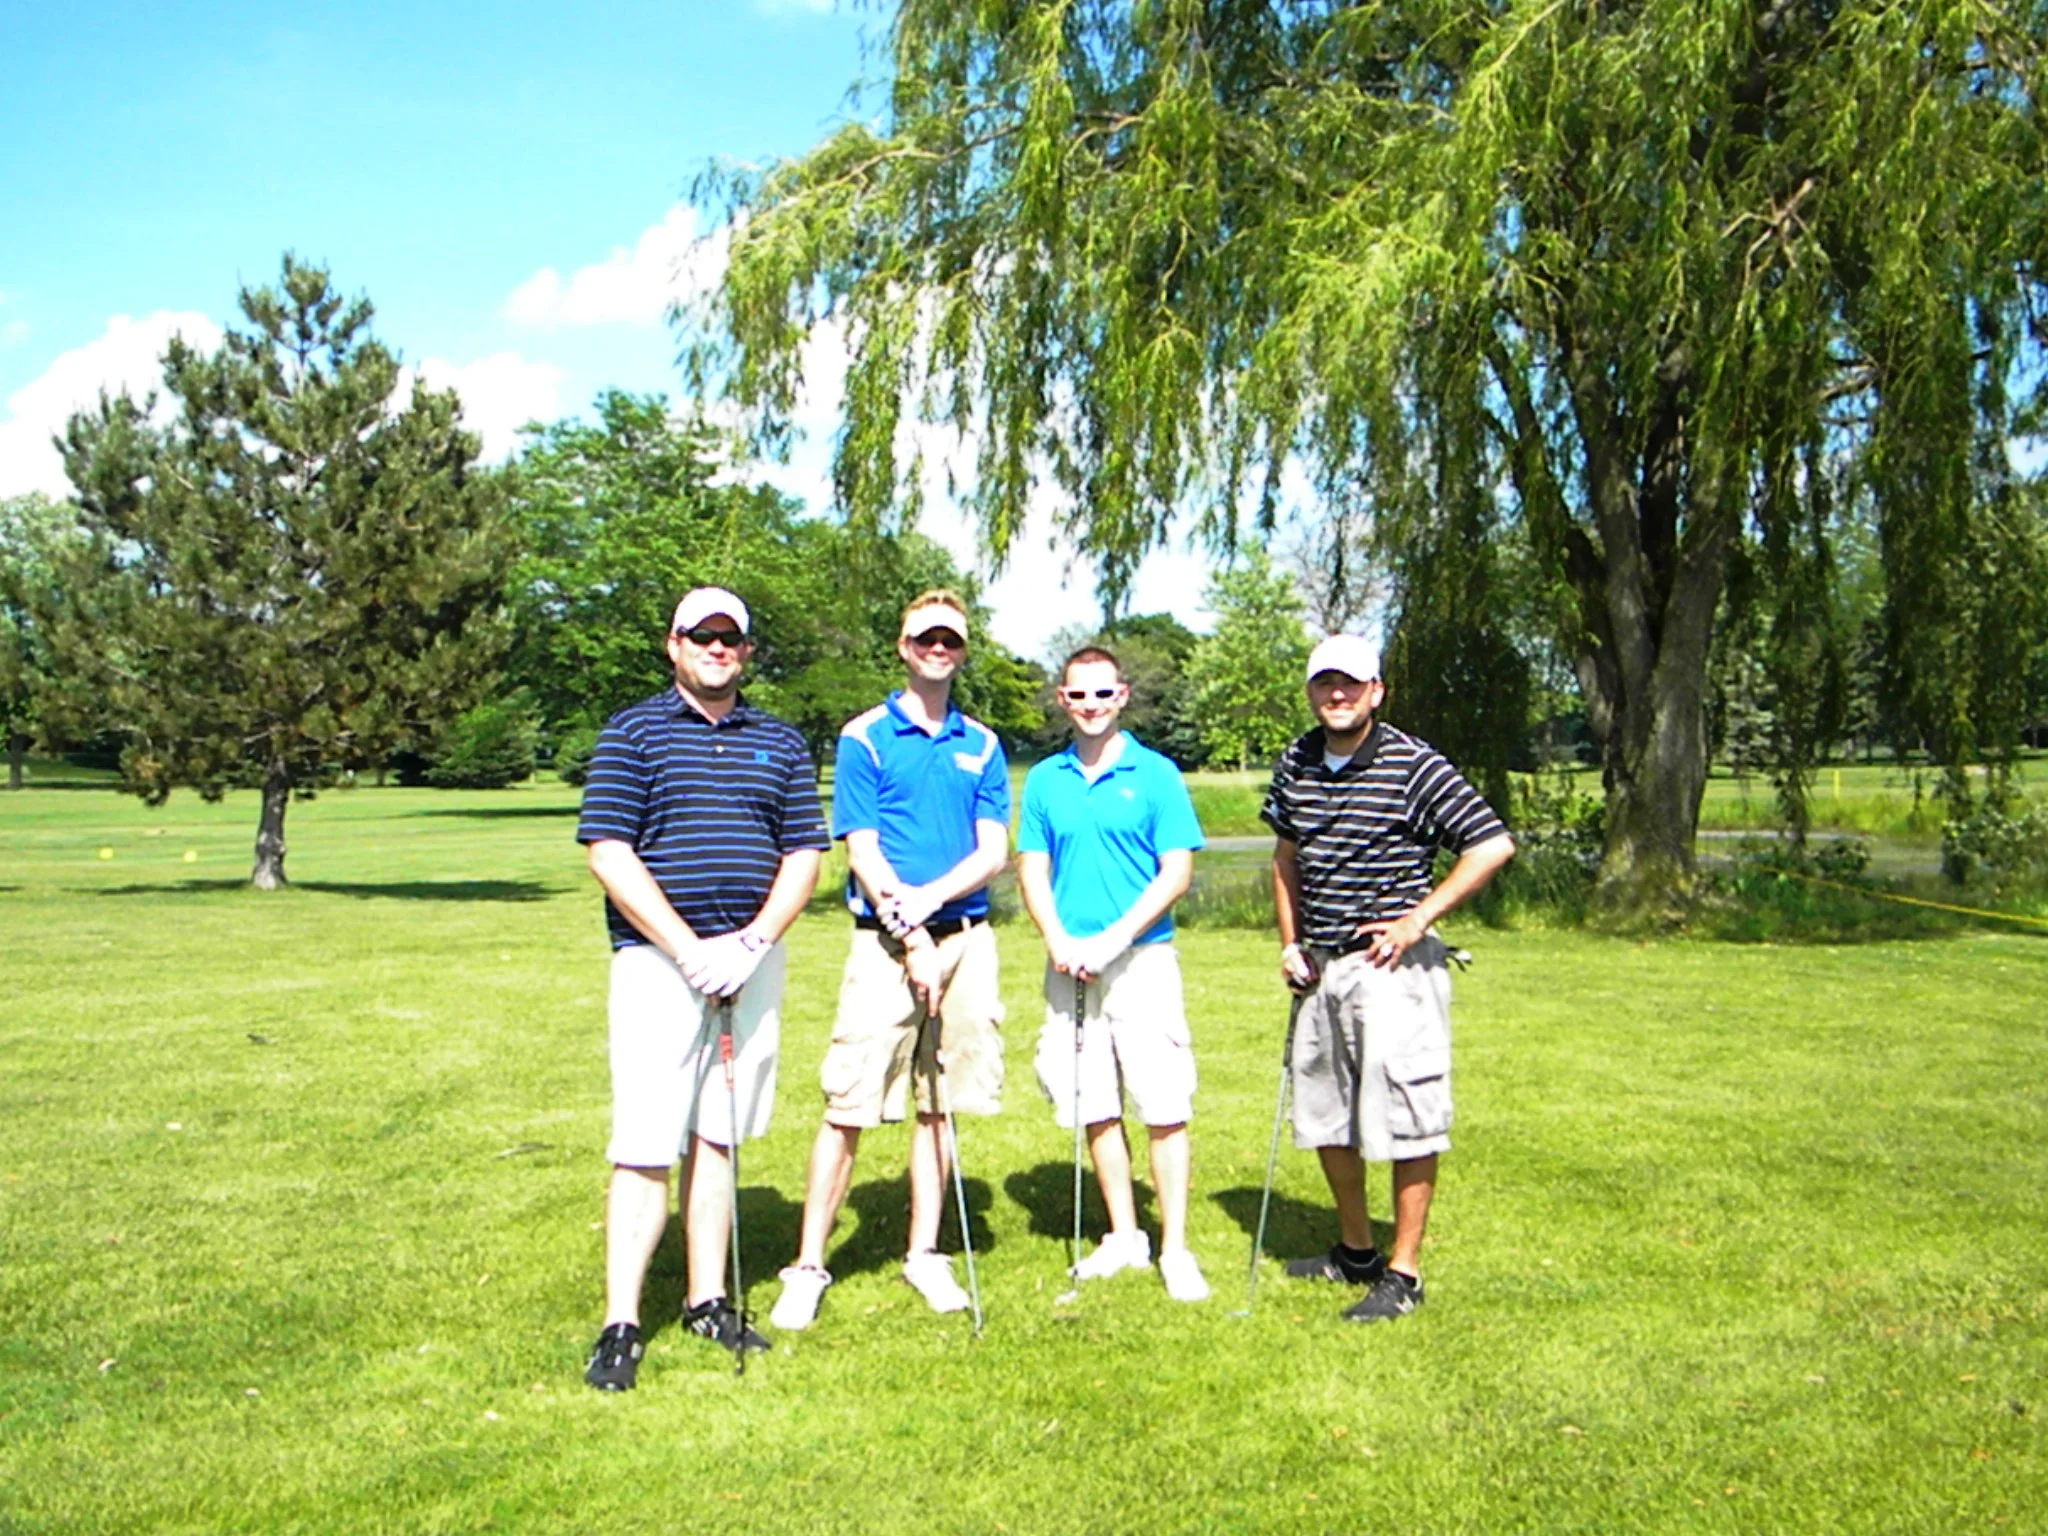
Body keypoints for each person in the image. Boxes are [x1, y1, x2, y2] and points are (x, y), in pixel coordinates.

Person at [575, 587, 828, 1390]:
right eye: (702, 635)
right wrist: (688, 950)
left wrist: (752, 943)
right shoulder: (632, 732)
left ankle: (707, 1300)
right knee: (645, 1141)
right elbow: (609, 851)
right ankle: (621, 1323)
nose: (717, 648)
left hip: (750, 962)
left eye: (730, 638)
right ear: (674, 643)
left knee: (720, 1134)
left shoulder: (779, 741)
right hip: (658, 963)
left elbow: (804, 854)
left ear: (746, 651)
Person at [768, 589, 1011, 1331]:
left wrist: (933, 905)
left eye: (950, 640)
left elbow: (993, 849)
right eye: (925, 638)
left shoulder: (983, 743)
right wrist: (912, 935)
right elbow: (863, 849)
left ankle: (924, 1253)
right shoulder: (865, 735)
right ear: (903, 648)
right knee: (849, 1103)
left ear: (962, 653)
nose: (938, 649)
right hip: (884, 942)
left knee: (939, 1102)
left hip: (966, 937)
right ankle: (808, 1265)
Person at [1262, 633, 1515, 1323]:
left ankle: (1404, 1273)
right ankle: (1356, 1252)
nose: (1337, 694)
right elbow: (1286, 858)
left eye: (1351, 683)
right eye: (1325, 683)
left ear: (1376, 691)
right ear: (1311, 691)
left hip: (1394, 968)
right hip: (1321, 966)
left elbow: (1492, 843)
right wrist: (1290, 943)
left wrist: (1417, 918)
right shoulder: (1297, 760)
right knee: (1325, 1115)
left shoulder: (1414, 764)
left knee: (1408, 1116)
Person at [1016, 646, 1211, 1302]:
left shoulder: (1155, 773)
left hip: (1141, 958)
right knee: (1093, 1100)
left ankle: (1175, 1248)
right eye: (1078, 695)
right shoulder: (1045, 779)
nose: (1091, 706)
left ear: (1122, 695)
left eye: (1103, 694)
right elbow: (1032, 868)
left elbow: (1176, 870)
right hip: (1069, 963)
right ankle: (1124, 1235)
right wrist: (1058, 940)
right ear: (1062, 699)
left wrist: (1113, 939)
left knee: (1163, 1103)